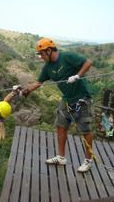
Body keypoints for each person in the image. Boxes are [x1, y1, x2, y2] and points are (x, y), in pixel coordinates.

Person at [22, 38, 94, 172]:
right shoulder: (47, 68)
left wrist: (78, 76)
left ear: (49, 50)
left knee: (85, 129)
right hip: (66, 99)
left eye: (42, 54)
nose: (40, 57)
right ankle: (61, 157)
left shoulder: (67, 57)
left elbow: (88, 62)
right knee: (60, 126)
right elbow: (38, 83)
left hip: (81, 97)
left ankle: (88, 161)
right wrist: (25, 91)